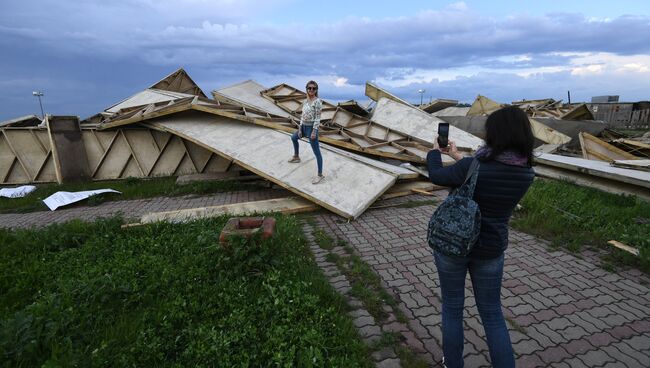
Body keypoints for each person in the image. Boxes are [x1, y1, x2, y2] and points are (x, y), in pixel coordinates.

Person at [427, 106, 535, 368]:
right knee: (492, 314)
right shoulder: (526, 173)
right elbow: (485, 174)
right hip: (491, 249)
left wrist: (433, 153)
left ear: (494, 134)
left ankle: (452, 363)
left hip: (454, 245)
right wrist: (456, 155)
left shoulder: (472, 165)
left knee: (452, 308)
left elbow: (437, 175)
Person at [288, 80, 324, 184]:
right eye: (309, 88)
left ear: (316, 90)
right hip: (303, 127)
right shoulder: (305, 101)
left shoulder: (318, 101)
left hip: (311, 129)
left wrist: (314, 131)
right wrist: (300, 128)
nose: (311, 90)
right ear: (307, 89)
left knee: (316, 152)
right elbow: (303, 116)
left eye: (314, 88)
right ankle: (296, 156)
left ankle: (320, 175)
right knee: (294, 138)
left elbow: (318, 118)